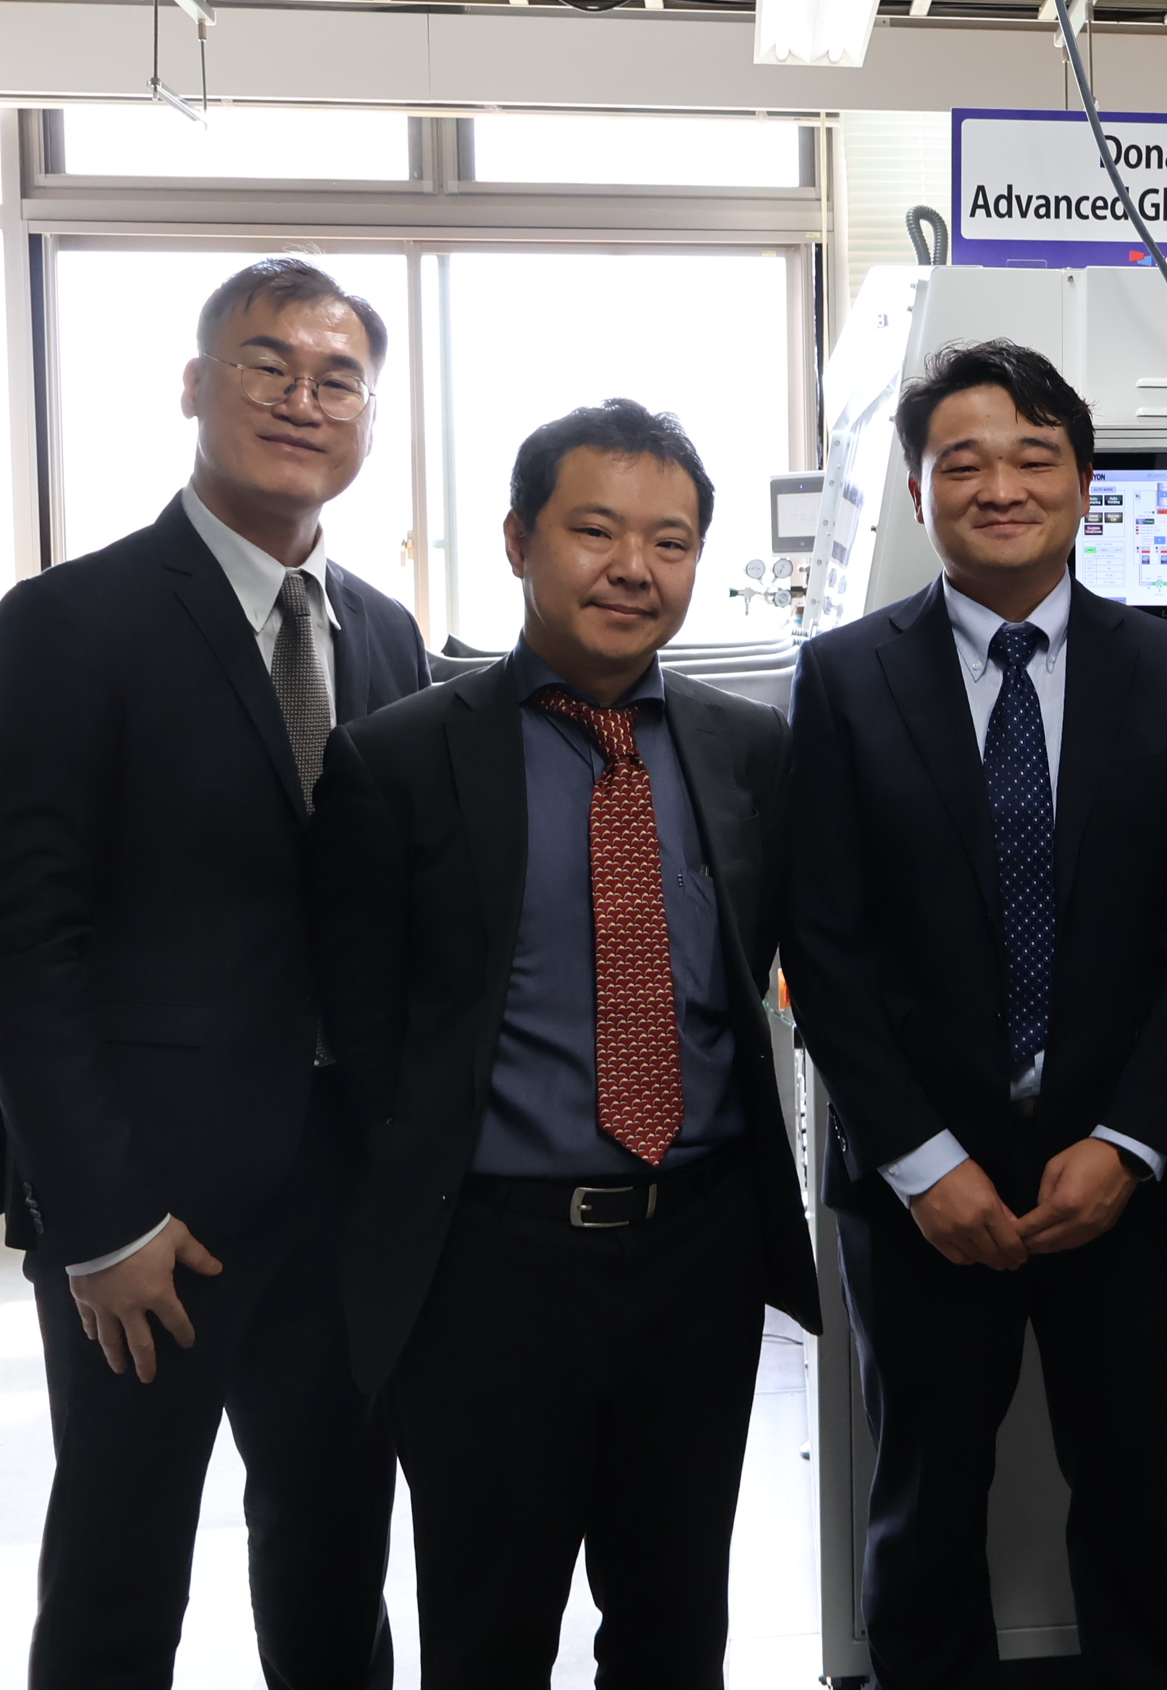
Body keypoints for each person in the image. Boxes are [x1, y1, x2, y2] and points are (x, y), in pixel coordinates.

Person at [0, 257, 420, 1689]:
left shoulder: (386, 633)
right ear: (195, 386)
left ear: (368, 417)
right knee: (119, 1571)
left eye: (338, 379)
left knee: (336, 1558)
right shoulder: (69, 622)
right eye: (266, 365)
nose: (302, 399)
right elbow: (16, 940)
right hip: (148, 1209)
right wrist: (101, 1223)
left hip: (343, 1199)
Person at [307, 399, 821, 1685]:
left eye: (671, 541)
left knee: (676, 1622)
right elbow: (366, 1041)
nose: (634, 568)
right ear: (518, 541)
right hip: (492, 1267)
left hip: (698, 1253)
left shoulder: (747, 749)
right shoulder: (398, 760)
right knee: (489, 1628)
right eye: (595, 531)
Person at [783, 339, 1167, 1690]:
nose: (1001, 487)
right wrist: (922, 1162)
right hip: (922, 1189)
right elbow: (823, 945)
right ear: (917, 491)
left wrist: (1133, 1143)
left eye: (1035, 458)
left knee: (1134, 1494)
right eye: (963, 463)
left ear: (1085, 485)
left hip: (1120, 1181)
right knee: (927, 1503)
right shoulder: (844, 677)